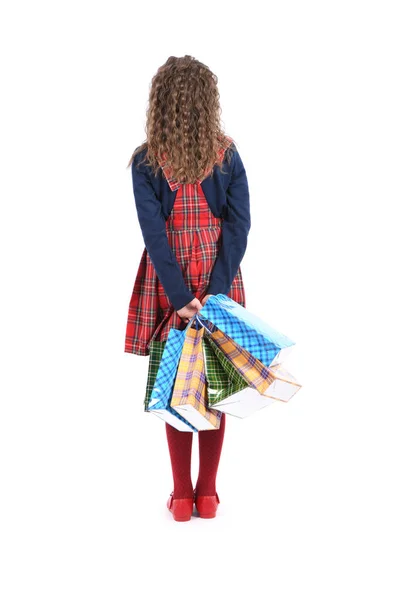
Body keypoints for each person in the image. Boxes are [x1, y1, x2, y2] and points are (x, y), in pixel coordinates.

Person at [124, 55, 251, 521]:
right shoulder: (228, 153)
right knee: (213, 385)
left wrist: (180, 300)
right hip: (219, 278)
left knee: (176, 382)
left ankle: (180, 497)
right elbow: (239, 227)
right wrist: (215, 293)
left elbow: (153, 234)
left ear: (158, 104)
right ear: (208, 102)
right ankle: (208, 495)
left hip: (169, 281)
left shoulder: (144, 161)